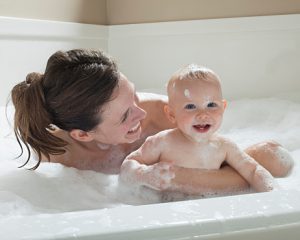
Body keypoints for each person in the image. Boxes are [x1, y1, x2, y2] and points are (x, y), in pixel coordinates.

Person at [11, 49, 293, 195]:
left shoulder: (165, 116)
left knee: (270, 155)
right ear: (82, 135)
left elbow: (234, 162)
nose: (141, 113)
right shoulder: (57, 156)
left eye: (133, 96)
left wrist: (178, 179)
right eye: (125, 116)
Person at [120, 64, 279, 194]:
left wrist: (274, 193)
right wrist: (144, 175)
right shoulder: (162, 142)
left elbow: (253, 171)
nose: (203, 114)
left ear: (223, 107)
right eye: (190, 106)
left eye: (211, 105)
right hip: (168, 212)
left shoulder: (224, 146)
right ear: (171, 114)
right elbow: (129, 165)